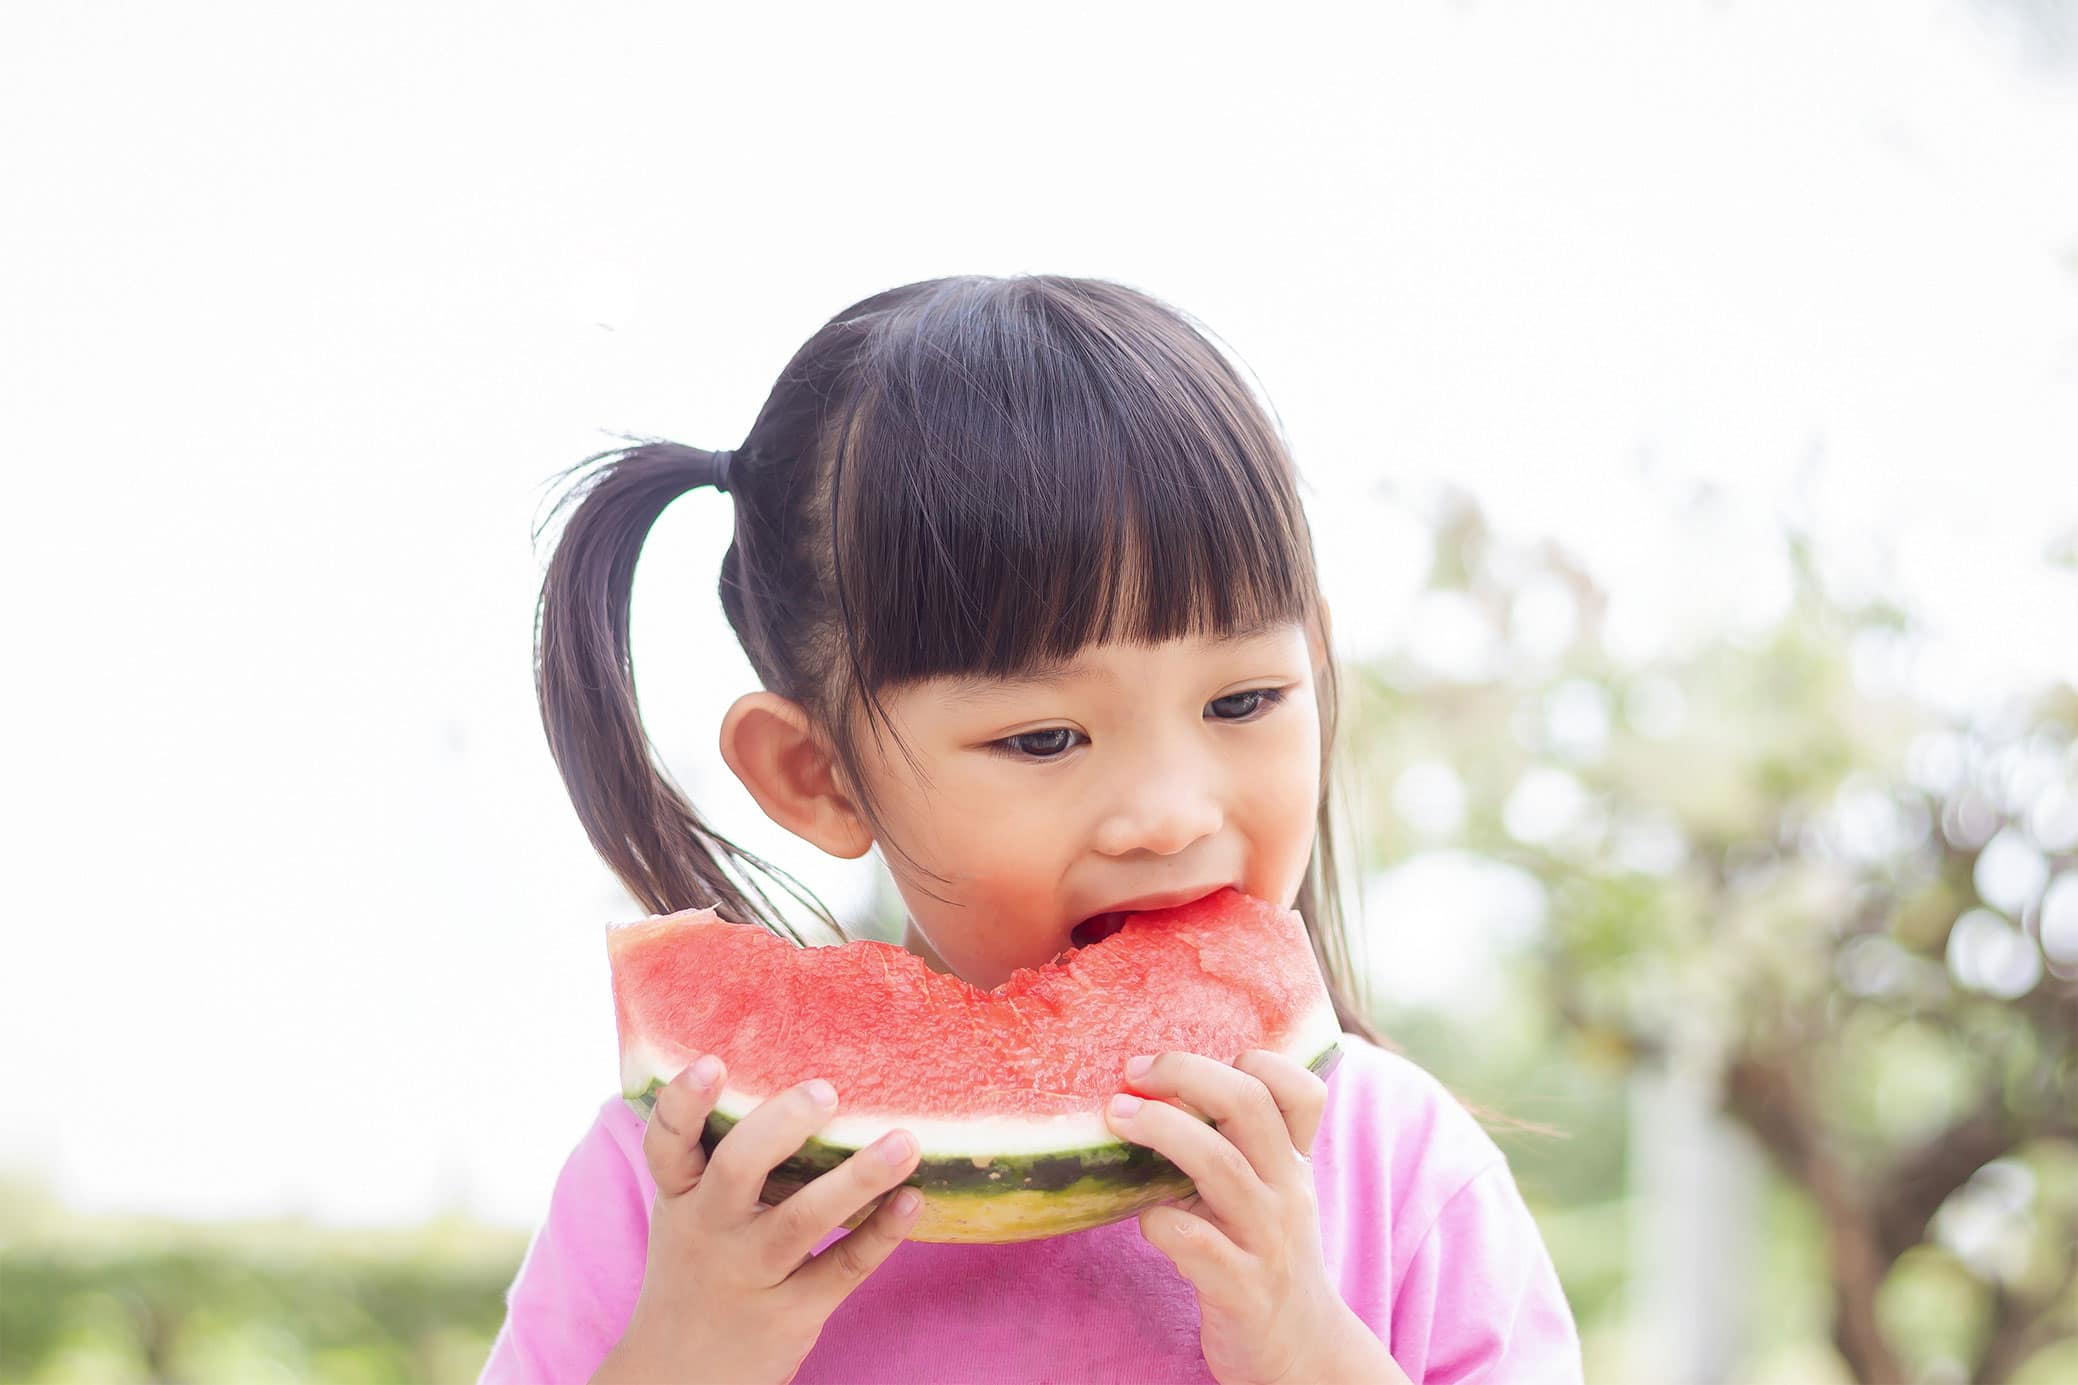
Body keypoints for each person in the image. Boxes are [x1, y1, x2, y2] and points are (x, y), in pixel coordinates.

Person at [481, 274, 1583, 1384]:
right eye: (1046, 737)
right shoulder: (673, 1187)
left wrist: (1306, 1343)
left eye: (1242, 700)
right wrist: (685, 1353)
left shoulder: (1399, 1172)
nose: (1167, 812)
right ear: (816, 775)